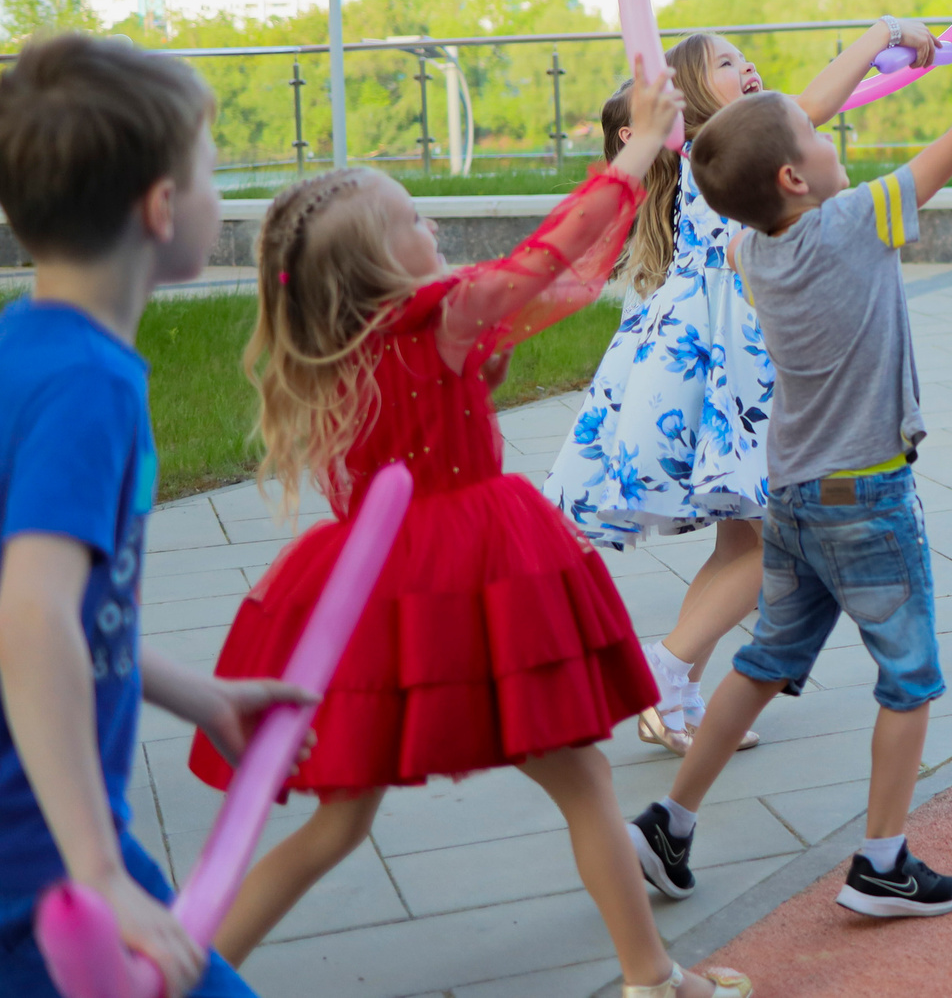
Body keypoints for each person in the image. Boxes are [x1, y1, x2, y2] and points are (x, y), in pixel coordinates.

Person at [190, 60, 755, 998]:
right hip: (478, 571)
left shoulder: (344, 343)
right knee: (585, 782)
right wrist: (639, 154)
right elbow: (549, 256)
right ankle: (652, 979)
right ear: (378, 260)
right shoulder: (439, 314)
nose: (434, 228)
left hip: (380, 588)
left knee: (339, 823)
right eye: (414, 219)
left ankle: (183, 973)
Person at [624, 28, 952, 927]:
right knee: (909, 678)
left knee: (763, 662)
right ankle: (883, 862)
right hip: (869, 499)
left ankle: (669, 823)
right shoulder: (856, 222)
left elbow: (742, 207)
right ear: (793, 178)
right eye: (815, 135)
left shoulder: (752, 251)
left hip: (792, 499)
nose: (830, 136)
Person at [0, 36, 317, 998]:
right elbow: (31, 614)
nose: (221, 195)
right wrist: (98, 871)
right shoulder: (90, 385)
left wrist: (198, 694)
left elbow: (65, 610)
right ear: (161, 206)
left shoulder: (24, 350)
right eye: (212, 172)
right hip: (44, 871)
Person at [545, 20, 940, 754]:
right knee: (776, 545)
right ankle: (662, 673)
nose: (749, 67)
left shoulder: (710, 159)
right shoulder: (714, 154)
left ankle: (674, 694)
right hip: (728, 367)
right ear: (693, 96)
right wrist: (881, 33)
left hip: (724, 364)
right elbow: (810, 107)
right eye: (727, 62)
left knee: (741, 544)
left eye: (744, 57)